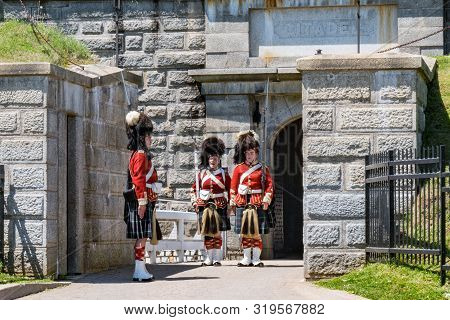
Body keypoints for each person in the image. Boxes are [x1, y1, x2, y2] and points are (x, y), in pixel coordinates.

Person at [124, 111, 161, 281]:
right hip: (142, 200)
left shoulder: (140, 154)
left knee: (143, 236)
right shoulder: (139, 155)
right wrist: (142, 202)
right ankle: (139, 270)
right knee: (142, 237)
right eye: (147, 136)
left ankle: (141, 268)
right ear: (141, 137)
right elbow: (138, 179)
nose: (150, 139)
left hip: (145, 198)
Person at [230, 130, 274, 267]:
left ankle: (256, 258)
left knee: (255, 233)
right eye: (247, 153)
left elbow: (270, 185)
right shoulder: (238, 169)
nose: (249, 155)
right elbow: (233, 186)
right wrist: (232, 201)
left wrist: (266, 199)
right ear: (244, 153)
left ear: (256, 153)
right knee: (245, 232)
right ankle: (246, 258)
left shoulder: (263, 169)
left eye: (252, 153)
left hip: (257, 201)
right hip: (242, 201)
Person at [190, 137, 231, 266]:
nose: (213, 160)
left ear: (219, 159)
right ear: (208, 159)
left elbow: (231, 190)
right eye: (211, 158)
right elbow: (193, 190)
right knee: (208, 233)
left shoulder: (224, 175)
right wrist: (195, 202)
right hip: (205, 205)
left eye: (215, 158)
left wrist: (230, 205)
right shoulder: (201, 174)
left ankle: (217, 258)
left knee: (217, 233)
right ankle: (208, 258)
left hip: (219, 204)